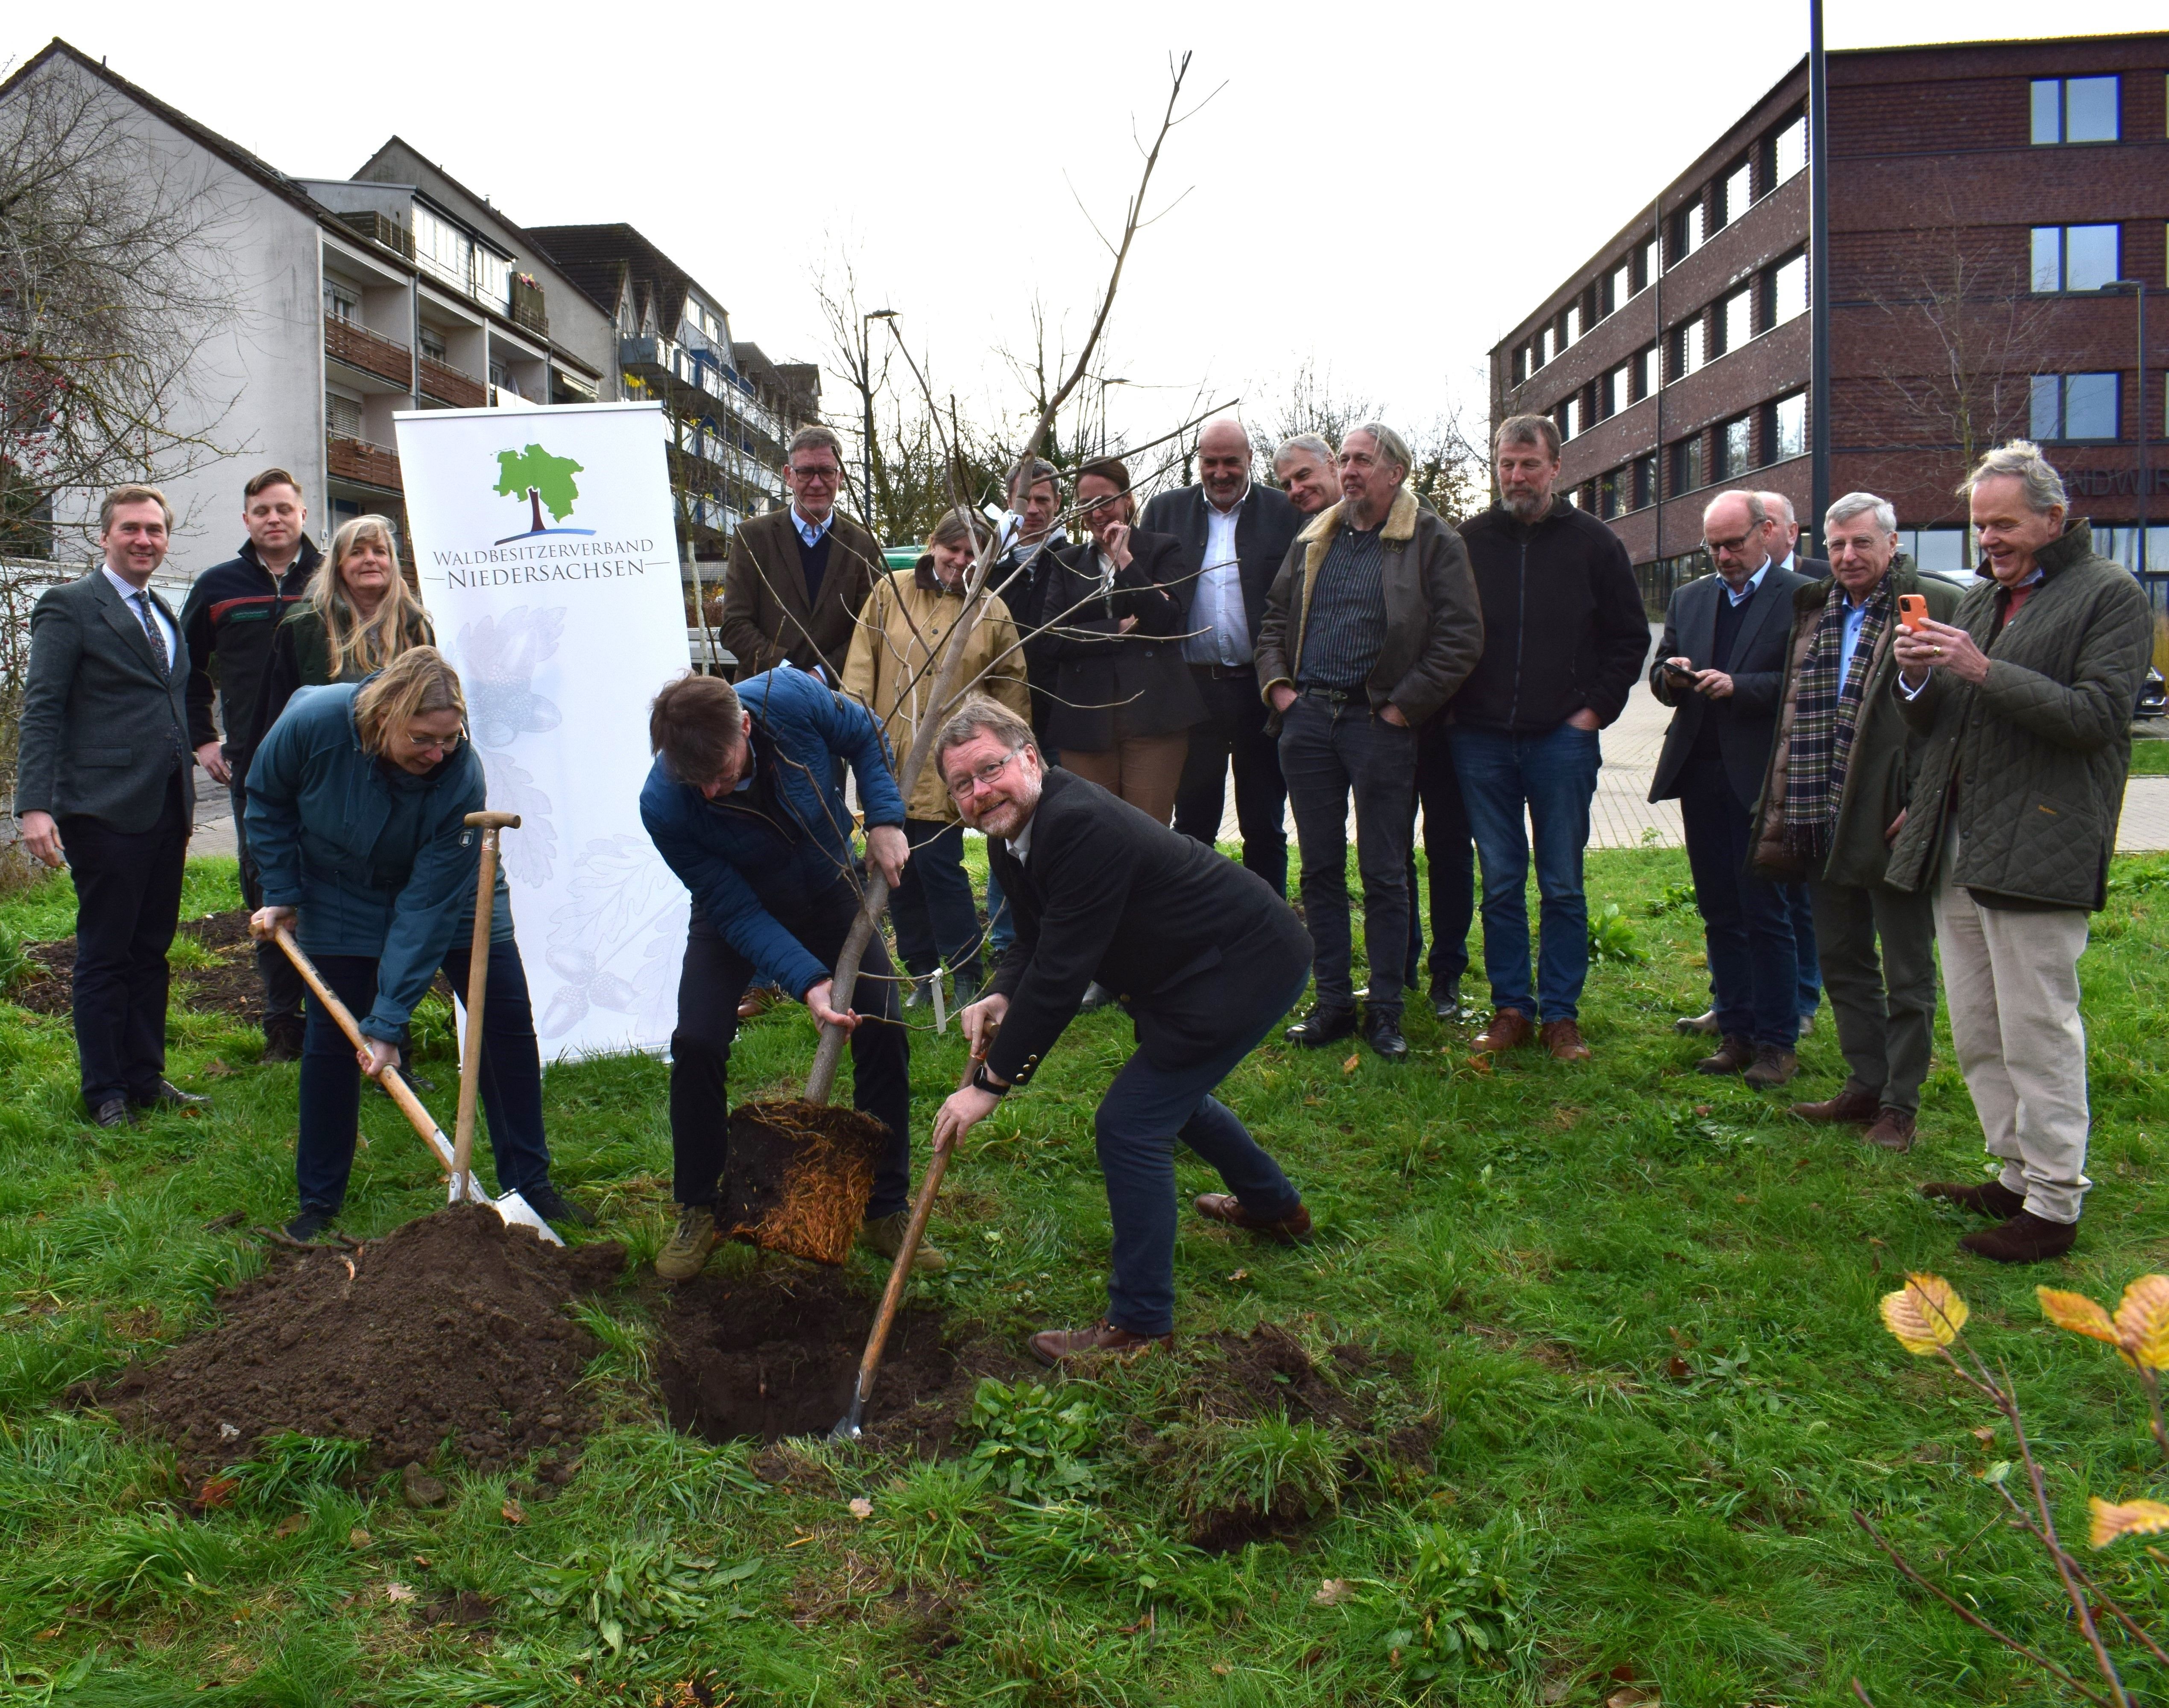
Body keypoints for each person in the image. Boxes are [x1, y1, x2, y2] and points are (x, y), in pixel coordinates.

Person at [929, 698, 1314, 1364]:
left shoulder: (1076, 825)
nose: (978, 792)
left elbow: (1058, 975)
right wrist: (997, 994)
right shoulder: (1014, 837)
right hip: (1189, 972)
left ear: (1028, 758)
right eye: (961, 784)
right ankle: (1275, 1209)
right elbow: (1033, 940)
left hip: (1243, 963)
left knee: (1130, 1123)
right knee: (1172, 1101)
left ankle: (1139, 1325)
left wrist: (991, 1085)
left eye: (988, 769)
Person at [1890, 442, 2153, 1263]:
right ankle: (2012, 1172)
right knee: (1976, 1024)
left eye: (2003, 525)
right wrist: (1914, 679)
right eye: (1978, 526)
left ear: (2051, 516)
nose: (1988, 540)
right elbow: (1944, 720)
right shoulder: (1984, 598)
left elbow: (2097, 719)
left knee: (2036, 1027)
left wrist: (1980, 669)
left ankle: (2054, 1202)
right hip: (1961, 843)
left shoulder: (2108, 596)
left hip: (2039, 839)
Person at [244, 648, 588, 1241]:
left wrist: (389, 1022)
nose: (438, 753)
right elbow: (268, 798)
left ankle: (529, 1186)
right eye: (423, 739)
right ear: (384, 719)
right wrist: (281, 888)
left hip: (451, 890)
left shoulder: (460, 776)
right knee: (334, 1035)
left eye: (449, 738)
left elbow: (427, 907)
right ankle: (318, 1202)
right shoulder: (314, 723)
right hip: (340, 886)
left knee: (502, 1020)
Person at [640, 669, 927, 1281]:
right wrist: (807, 980)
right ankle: (697, 1206)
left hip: (826, 885)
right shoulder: (664, 802)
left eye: (720, 774)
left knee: (882, 1027)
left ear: (744, 726)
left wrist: (884, 816)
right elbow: (735, 909)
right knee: (696, 1042)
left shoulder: (788, 697)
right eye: (698, 784)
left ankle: (885, 1208)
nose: (712, 793)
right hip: (736, 906)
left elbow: (867, 734)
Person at [1255, 424, 1484, 1060]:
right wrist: (1279, 690)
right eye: (1346, 459)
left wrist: (1400, 709)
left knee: (1384, 871)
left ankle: (1385, 1009)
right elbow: (1274, 619)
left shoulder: (1431, 539)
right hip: (1307, 723)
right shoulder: (1314, 536)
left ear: (1395, 473)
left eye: (1362, 460)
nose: (1349, 470)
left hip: (1377, 725)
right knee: (1320, 868)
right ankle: (1331, 1003)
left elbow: (1460, 638)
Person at [1747, 493, 1958, 1153]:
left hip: (1893, 818)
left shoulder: (1934, 604)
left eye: (1861, 543)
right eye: (1836, 545)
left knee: (1905, 969)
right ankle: (1864, 1082)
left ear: (1891, 544)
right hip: (1819, 811)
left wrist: (1923, 800)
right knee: (1839, 957)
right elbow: (1791, 714)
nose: (1846, 556)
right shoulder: (1814, 608)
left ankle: (1899, 1105)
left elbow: (1954, 718)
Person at [1452, 416, 1649, 1061]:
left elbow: (1628, 640)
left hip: (1561, 741)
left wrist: (1592, 712)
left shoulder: (1594, 544)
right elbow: (1443, 629)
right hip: (1479, 740)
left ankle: (1560, 1015)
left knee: (1561, 882)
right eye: (1505, 465)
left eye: (1527, 465)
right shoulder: (1469, 541)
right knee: (1501, 880)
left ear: (1556, 468)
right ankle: (1511, 1007)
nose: (1514, 477)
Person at [14, 485, 207, 1129]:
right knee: (106, 953)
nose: (143, 540)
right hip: (102, 809)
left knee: (152, 950)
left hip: (166, 809)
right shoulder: (69, 606)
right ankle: (106, 1093)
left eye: (154, 529)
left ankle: (146, 1078)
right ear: (105, 536)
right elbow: (42, 708)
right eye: (130, 529)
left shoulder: (164, 611)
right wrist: (34, 806)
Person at [1648, 491, 1809, 1087]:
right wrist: (1669, 677)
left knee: (1765, 914)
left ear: (1765, 533)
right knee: (1719, 909)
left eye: (1733, 543)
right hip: (1700, 774)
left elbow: (1805, 678)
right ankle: (1736, 1031)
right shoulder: (1691, 598)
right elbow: (1660, 672)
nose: (1722, 556)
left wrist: (1740, 687)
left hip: (1765, 778)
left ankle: (1777, 1043)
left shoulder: (1798, 598)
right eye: (1712, 546)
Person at [841, 507, 1031, 1008]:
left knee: (939, 867)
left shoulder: (991, 609)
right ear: (933, 544)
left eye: (973, 555)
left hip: (952, 767)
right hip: (889, 757)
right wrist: (856, 730)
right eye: (954, 551)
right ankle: (923, 973)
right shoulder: (890, 592)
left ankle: (967, 968)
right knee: (894, 873)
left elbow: (1011, 689)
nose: (961, 562)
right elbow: (862, 667)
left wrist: (1012, 759)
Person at [179, 469, 320, 1059]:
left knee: (335, 889)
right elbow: (182, 669)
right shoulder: (218, 586)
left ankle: (340, 1016)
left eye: (284, 509)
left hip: (327, 763)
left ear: (303, 515)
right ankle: (283, 1026)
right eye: (261, 510)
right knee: (268, 887)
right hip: (253, 767)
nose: (273, 519)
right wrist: (205, 741)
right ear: (246, 520)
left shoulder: (329, 578)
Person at [1142, 418, 1297, 896]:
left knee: (1264, 823)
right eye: (1210, 461)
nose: (1221, 471)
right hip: (1192, 691)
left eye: (1231, 461)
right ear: (1199, 462)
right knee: (1193, 822)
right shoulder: (1165, 512)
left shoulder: (1285, 512)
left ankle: (1268, 928)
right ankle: (1199, 927)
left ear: (1250, 459)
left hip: (1261, 691)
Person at [1025, 458, 1203, 825]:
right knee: (1095, 831)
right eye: (1087, 504)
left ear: (1127, 500)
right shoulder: (1066, 561)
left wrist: (1124, 559)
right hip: (1085, 720)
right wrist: (1116, 629)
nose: (1097, 512)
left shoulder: (1163, 550)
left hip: (1154, 718)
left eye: (1106, 500)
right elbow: (1051, 637)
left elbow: (1165, 620)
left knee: (1149, 830)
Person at [718, 425, 884, 684]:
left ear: (840, 476)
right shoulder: (752, 538)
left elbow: (869, 629)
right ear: (789, 475)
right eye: (806, 472)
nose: (816, 483)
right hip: (764, 694)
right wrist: (785, 671)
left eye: (827, 471)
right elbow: (734, 625)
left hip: (836, 699)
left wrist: (822, 674)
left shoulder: (863, 546)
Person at [985, 457, 1070, 964]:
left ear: (1059, 505)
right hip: (999, 721)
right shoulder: (988, 571)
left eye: (1044, 500)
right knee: (1005, 823)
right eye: (1024, 501)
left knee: (1054, 825)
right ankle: (1008, 942)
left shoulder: (1073, 560)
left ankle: (1056, 934)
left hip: (1060, 716)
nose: (1034, 511)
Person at [255, 514, 435, 734]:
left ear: (392, 563)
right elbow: (275, 710)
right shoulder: (304, 625)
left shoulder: (417, 627)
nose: (370, 559)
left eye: (379, 551)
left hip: (403, 759)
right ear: (338, 566)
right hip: (329, 755)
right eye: (357, 552)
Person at [1759, 488, 1829, 1037]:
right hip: (1741, 761)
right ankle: (1735, 994)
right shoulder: (1728, 586)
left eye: (1769, 523)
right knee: (1742, 895)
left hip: (1802, 761)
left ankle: (1803, 999)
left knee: (1797, 894)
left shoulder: (1821, 585)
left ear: (1790, 531)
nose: (1761, 533)